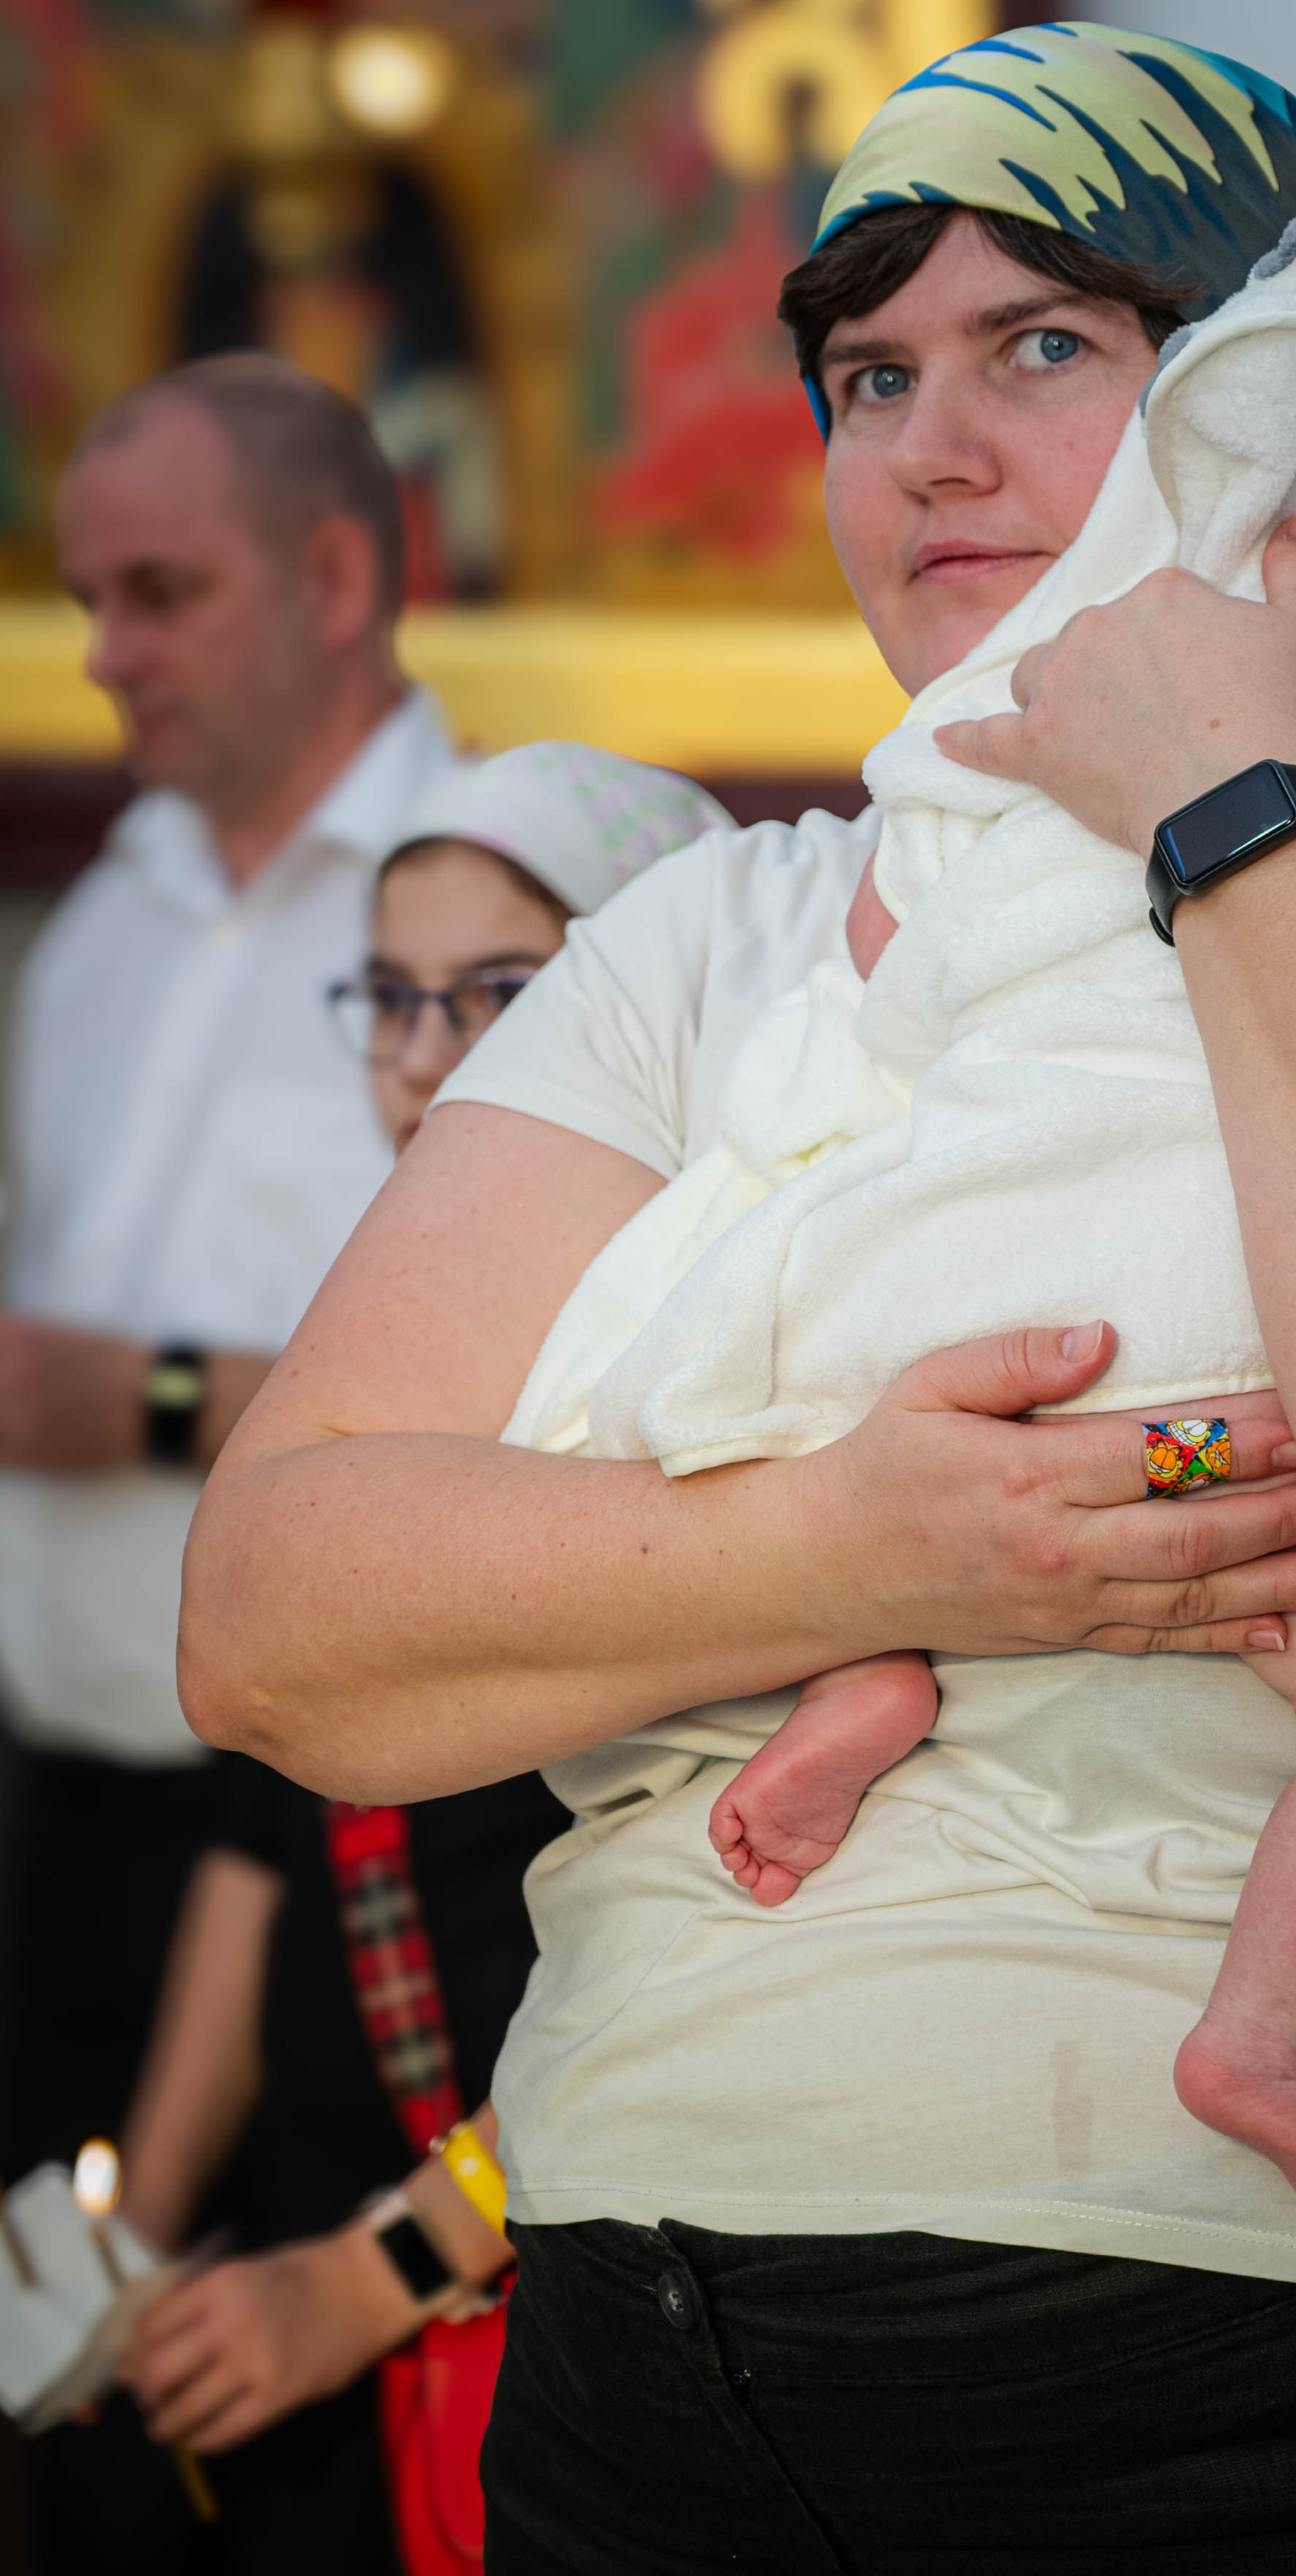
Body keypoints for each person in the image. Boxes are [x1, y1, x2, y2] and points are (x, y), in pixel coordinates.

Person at [184, 29, 1296, 2571]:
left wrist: (1248, 816)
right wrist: (874, 1552)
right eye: (868, 376)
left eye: (1044, 346)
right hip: (650, 2362)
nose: (928, 452)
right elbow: (276, 1619)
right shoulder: (711, 937)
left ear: (1278, 381)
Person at [107, 747, 730, 2574]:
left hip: (584, 2255)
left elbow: (692, 1935)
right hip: (338, 2240)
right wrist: (133, 2239)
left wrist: (383, 2265)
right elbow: (263, 1828)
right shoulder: (376, 1358)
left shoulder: (717, 1375)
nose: (421, 1052)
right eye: (388, 994)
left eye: (502, 993)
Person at [0, 352, 453, 2562]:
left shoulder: (486, 909)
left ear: (340, 569)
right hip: (52, 1790)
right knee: (63, 2429)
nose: (107, 655)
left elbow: (535, 1372)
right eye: (90, 600)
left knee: (284, 2489)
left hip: (322, 1832)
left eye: (158, 592)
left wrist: (163, 1400)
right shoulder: (103, 919)